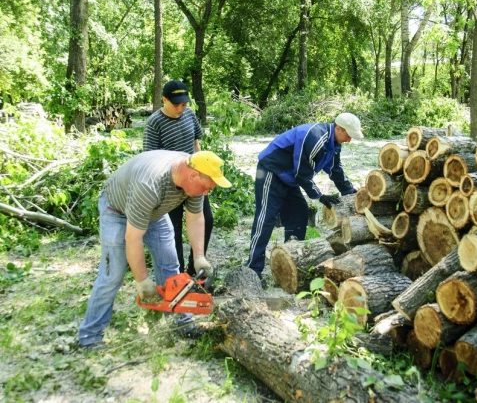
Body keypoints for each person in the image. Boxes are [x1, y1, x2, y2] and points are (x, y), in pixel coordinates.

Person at [78, 150, 231, 348]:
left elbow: (195, 216)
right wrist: (142, 281)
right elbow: (133, 238)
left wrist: (199, 257)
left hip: (153, 212)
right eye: (205, 188)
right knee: (112, 275)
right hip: (117, 211)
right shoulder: (149, 184)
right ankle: (90, 336)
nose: (206, 192)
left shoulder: (197, 174)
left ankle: (180, 323)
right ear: (193, 176)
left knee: (169, 266)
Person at [245, 113, 363, 280]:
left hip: (288, 176)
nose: (350, 140)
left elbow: (335, 170)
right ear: (338, 128)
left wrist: (350, 193)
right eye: (348, 135)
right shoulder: (315, 138)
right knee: (266, 218)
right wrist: (320, 196)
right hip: (272, 170)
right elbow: (302, 174)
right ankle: (252, 270)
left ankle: (290, 258)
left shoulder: (334, 143)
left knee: (299, 214)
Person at [143, 80, 213, 276]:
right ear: (164, 100)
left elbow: (195, 144)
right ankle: (177, 275)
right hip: (170, 186)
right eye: (176, 105)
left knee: (206, 219)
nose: (181, 108)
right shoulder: (154, 123)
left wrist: (203, 173)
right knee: (172, 230)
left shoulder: (189, 115)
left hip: (195, 180)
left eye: (184, 104)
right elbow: (150, 160)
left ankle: (195, 269)